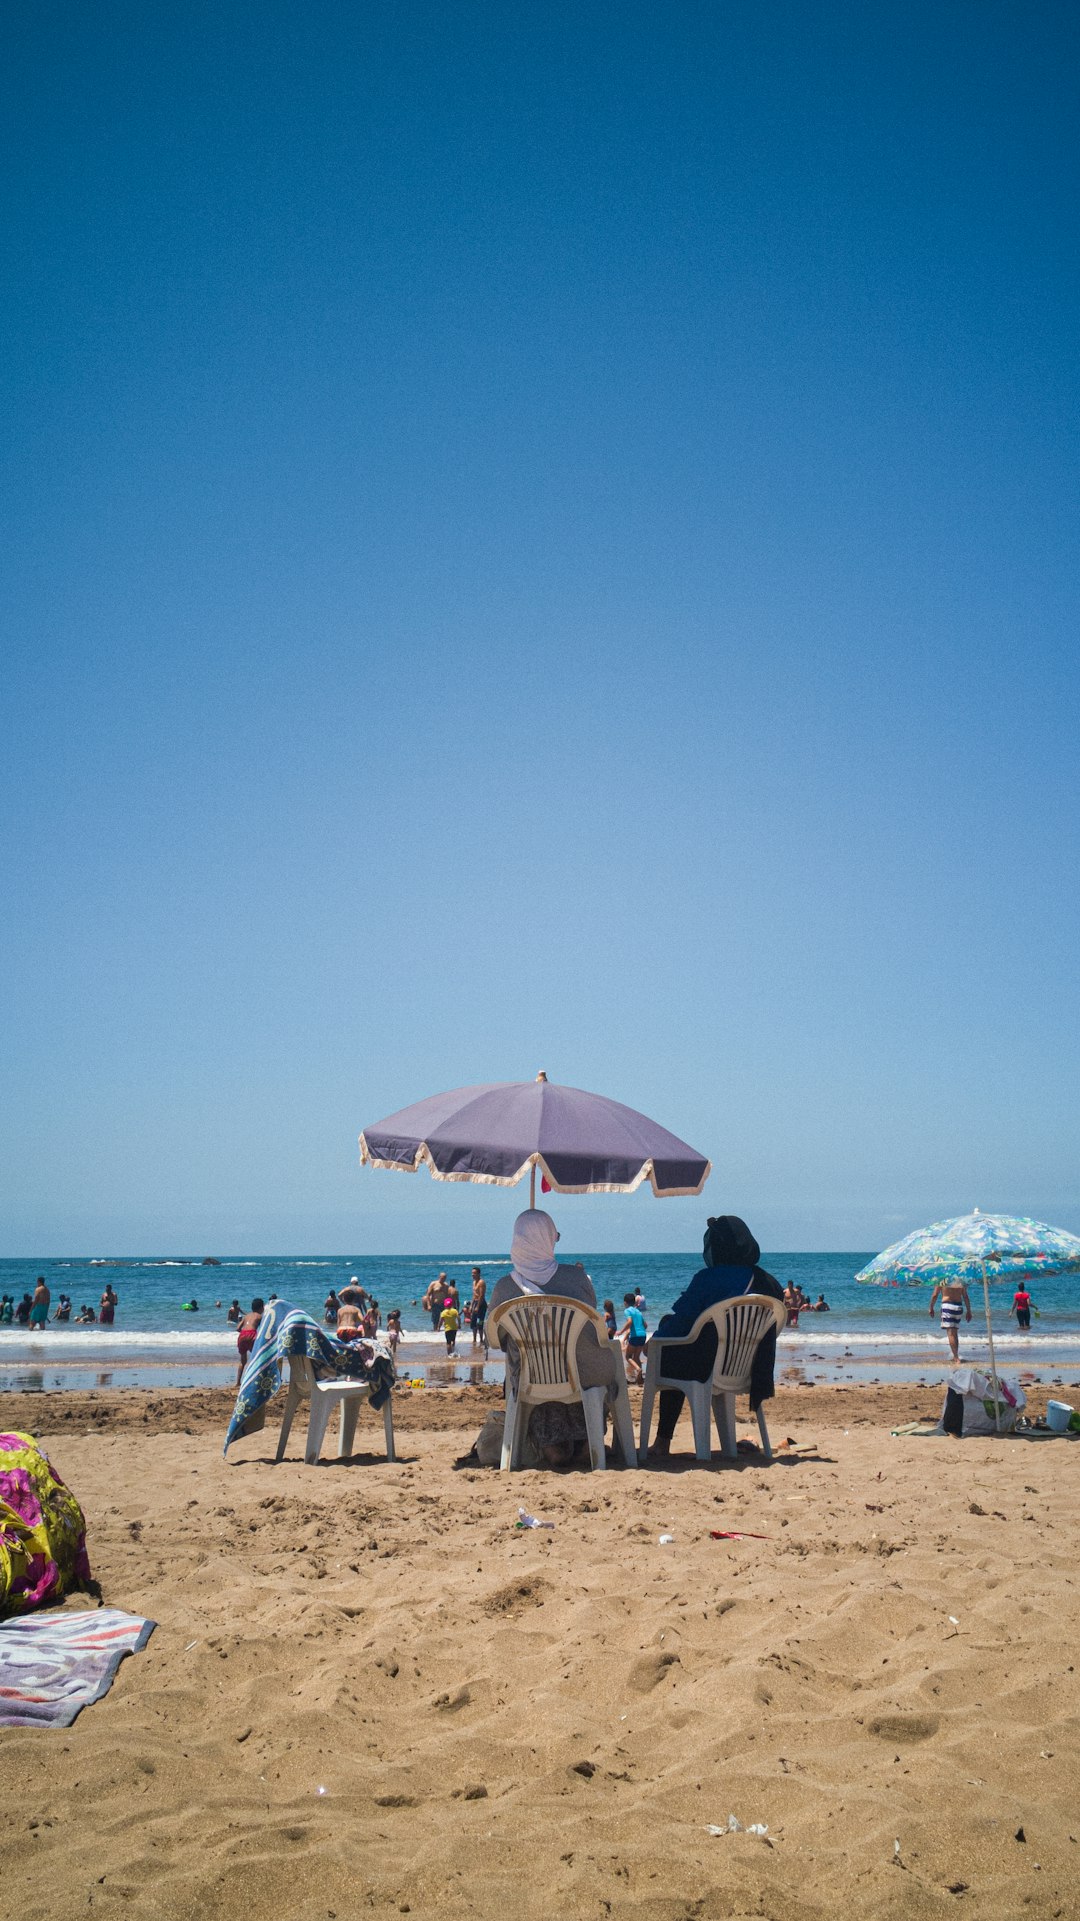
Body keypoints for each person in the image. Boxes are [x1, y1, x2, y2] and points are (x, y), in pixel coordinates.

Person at [645, 1216, 786, 1461]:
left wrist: (654, 1342)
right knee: (685, 1347)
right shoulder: (769, 1283)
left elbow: (682, 1321)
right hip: (749, 1368)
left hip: (705, 1367)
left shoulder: (709, 1278)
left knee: (668, 1349)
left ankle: (661, 1442)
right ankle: (725, 1445)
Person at [486, 1210, 618, 1467]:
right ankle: (585, 1441)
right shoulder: (577, 1277)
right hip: (584, 1374)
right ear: (549, 1239)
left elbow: (497, 1340)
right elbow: (590, 1326)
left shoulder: (505, 1287)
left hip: (531, 1378)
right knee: (585, 1367)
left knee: (528, 1372)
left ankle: (551, 1445)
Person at [929, 1277, 972, 1362]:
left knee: (950, 1333)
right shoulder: (960, 1279)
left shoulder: (941, 1279)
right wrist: (969, 1311)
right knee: (954, 1333)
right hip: (959, 1307)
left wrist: (931, 1307)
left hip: (948, 1306)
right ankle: (956, 1355)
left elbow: (935, 1295)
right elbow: (965, 1296)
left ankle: (956, 1358)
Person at [619, 1293, 648, 1385]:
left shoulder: (627, 1310)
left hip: (635, 1336)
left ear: (625, 1303)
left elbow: (630, 1322)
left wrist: (621, 1331)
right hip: (643, 1335)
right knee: (636, 1357)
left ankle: (638, 1369)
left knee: (627, 1356)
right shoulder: (638, 1311)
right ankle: (640, 1380)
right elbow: (645, 1325)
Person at [236, 1297, 265, 1384]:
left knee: (242, 1361)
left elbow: (237, 1328)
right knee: (257, 1358)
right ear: (261, 1308)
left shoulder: (246, 1316)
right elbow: (264, 1328)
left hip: (242, 1335)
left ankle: (238, 1382)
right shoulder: (259, 1316)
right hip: (251, 1334)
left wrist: (244, 1334)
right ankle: (254, 1379)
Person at [470, 1269, 487, 1347]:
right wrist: (471, 1305)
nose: (472, 1275)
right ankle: (474, 1339)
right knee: (473, 1322)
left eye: (474, 1273)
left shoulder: (481, 1282)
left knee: (480, 1322)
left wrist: (477, 1306)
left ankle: (481, 1339)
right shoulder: (474, 1282)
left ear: (479, 1274)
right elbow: (474, 1295)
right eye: (472, 1273)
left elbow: (481, 1295)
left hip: (481, 1303)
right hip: (475, 1302)